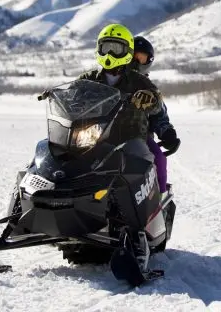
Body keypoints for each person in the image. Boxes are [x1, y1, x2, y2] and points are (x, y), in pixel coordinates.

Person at [77, 24, 165, 272]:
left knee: (138, 170)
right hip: (95, 139)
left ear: (126, 51)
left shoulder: (137, 80)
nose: (110, 55)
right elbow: (73, 95)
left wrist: (149, 99)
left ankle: (140, 228)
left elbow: (156, 100)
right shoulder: (89, 79)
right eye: (106, 48)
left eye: (116, 49)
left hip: (130, 141)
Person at [131, 35, 179, 195]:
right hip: (105, 132)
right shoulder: (115, 79)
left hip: (138, 136)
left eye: (141, 58)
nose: (135, 61)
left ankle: (160, 195)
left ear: (148, 61)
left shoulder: (148, 86)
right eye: (132, 56)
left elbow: (159, 114)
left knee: (158, 157)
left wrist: (167, 132)